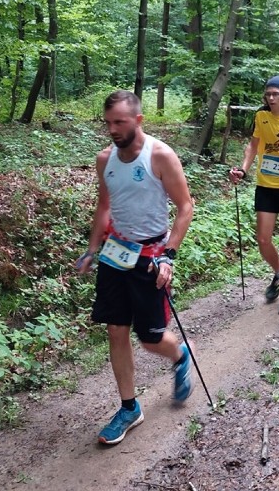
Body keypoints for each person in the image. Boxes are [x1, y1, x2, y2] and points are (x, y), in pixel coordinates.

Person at [75, 90, 195, 445]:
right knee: (115, 329)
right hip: (114, 254)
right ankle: (129, 407)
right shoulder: (104, 159)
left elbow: (186, 207)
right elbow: (104, 206)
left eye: (120, 122)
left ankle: (179, 353)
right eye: (108, 122)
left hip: (150, 256)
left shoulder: (159, 155)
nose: (112, 129)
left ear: (138, 120)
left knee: (150, 338)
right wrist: (91, 249)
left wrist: (169, 256)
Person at [229, 74, 279, 316]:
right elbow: (253, 145)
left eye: (275, 94)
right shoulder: (261, 116)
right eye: (268, 94)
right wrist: (243, 169)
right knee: (263, 239)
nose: (270, 98)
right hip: (265, 185)